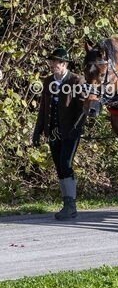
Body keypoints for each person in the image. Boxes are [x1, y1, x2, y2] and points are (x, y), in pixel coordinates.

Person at [32, 47, 87, 220]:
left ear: (63, 64)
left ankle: (71, 205)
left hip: (70, 132)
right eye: (51, 62)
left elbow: (83, 108)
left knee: (66, 163)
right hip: (53, 131)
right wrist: (37, 131)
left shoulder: (76, 81)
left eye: (55, 62)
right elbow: (43, 109)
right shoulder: (48, 81)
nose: (52, 64)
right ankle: (67, 203)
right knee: (59, 166)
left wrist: (76, 128)